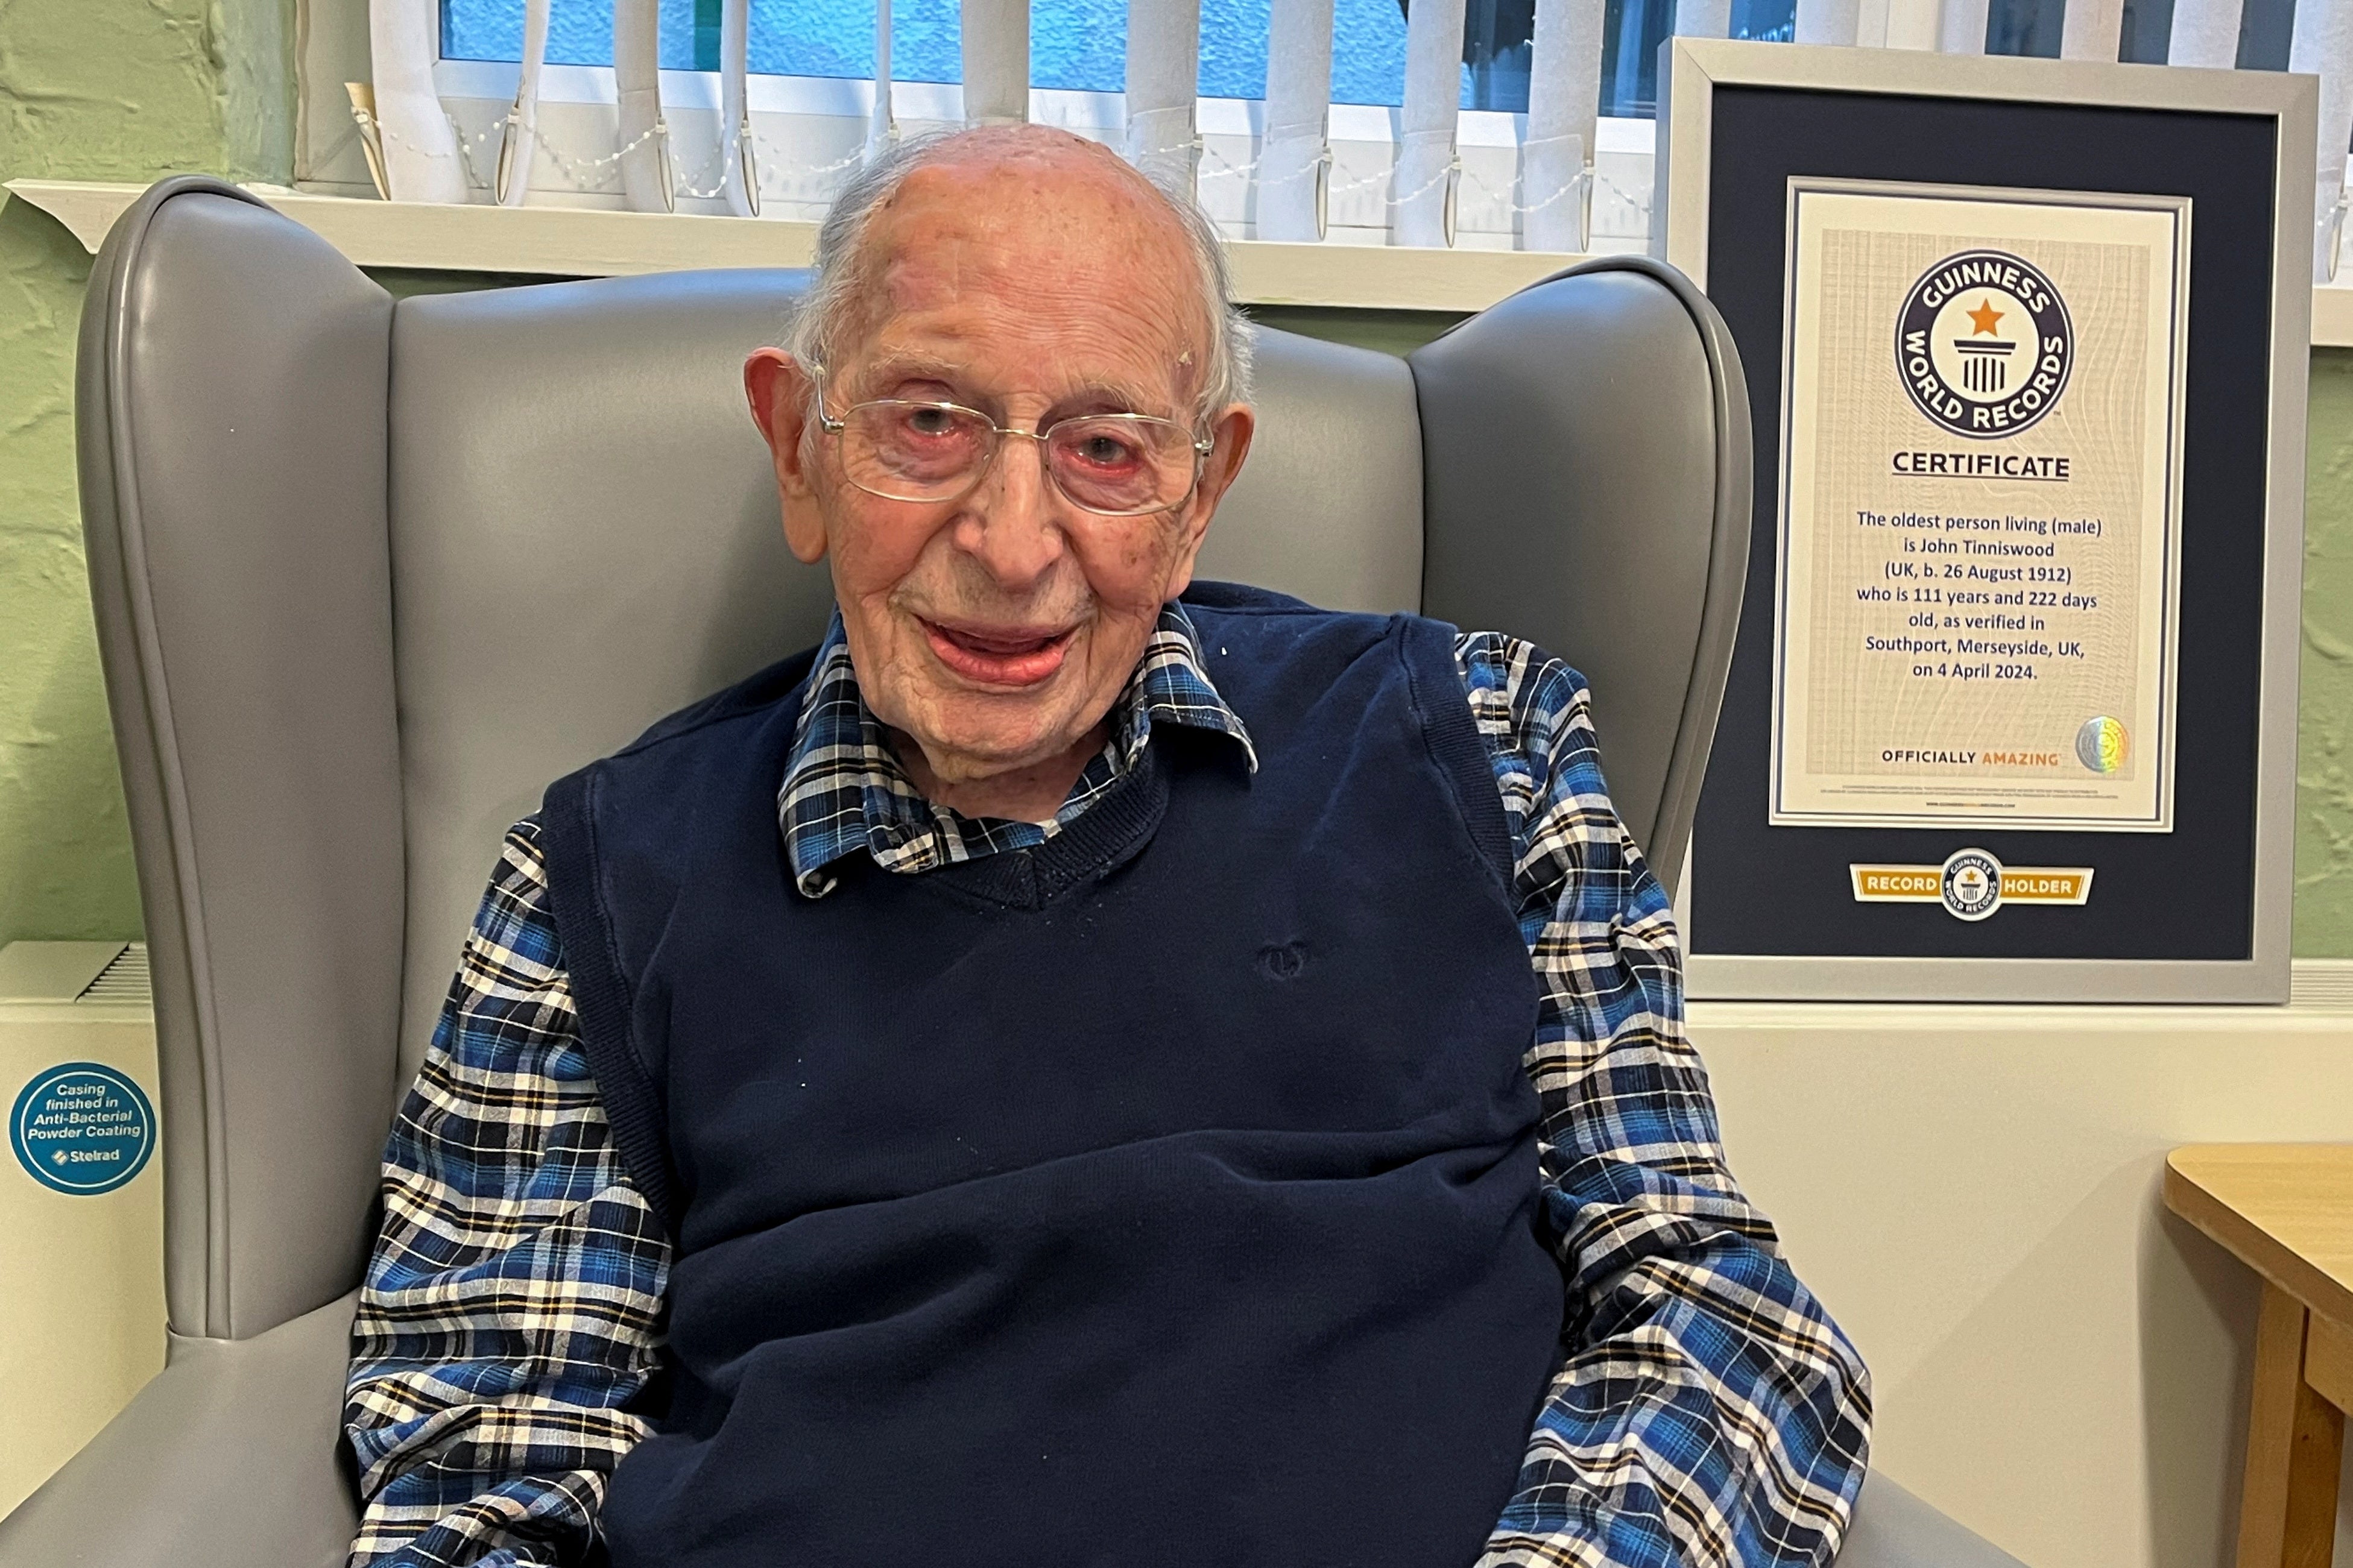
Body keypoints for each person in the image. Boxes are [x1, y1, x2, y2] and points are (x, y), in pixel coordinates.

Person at [343, 124, 1869, 1568]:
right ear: (798, 446)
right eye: (928, 421)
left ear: (1202, 490)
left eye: (1106, 449)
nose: (1012, 544)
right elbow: (482, 1455)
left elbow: (1722, 1316)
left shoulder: (1478, 740)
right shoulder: (597, 880)